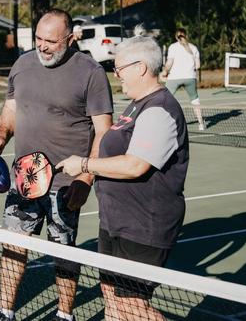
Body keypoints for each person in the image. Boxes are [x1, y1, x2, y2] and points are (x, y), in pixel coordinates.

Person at [0, 9, 114, 321]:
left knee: (64, 252)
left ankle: (64, 314)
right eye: (38, 39)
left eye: (50, 41)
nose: (41, 46)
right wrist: (0, 137)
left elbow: (104, 132)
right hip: (24, 178)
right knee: (14, 243)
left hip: (66, 183)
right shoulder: (22, 64)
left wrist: (86, 178)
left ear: (70, 39)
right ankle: (5, 312)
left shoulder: (91, 72)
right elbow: (11, 108)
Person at [56, 26, 189, 321]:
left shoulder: (159, 110)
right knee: (113, 301)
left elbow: (135, 165)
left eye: (119, 69)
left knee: (132, 307)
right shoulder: (136, 105)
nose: (116, 75)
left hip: (144, 226)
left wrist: (85, 165)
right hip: (116, 220)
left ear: (141, 68)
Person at [160, 28, 205, 130]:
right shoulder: (193, 48)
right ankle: (201, 124)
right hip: (190, 78)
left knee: (165, 99)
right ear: (186, 36)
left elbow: (169, 63)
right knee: (195, 101)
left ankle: (163, 122)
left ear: (176, 37)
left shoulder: (173, 47)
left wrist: (164, 72)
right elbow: (197, 66)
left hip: (174, 78)